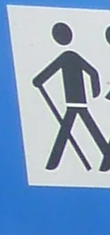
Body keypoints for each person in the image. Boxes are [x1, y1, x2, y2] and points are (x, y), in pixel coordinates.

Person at [30, 23, 110, 172]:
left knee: (70, 130)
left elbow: (92, 72)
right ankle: (54, 164)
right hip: (76, 102)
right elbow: (92, 72)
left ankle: (53, 164)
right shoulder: (70, 56)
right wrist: (96, 92)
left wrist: (96, 92)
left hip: (76, 102)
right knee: (79, 129)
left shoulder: (68, 57)